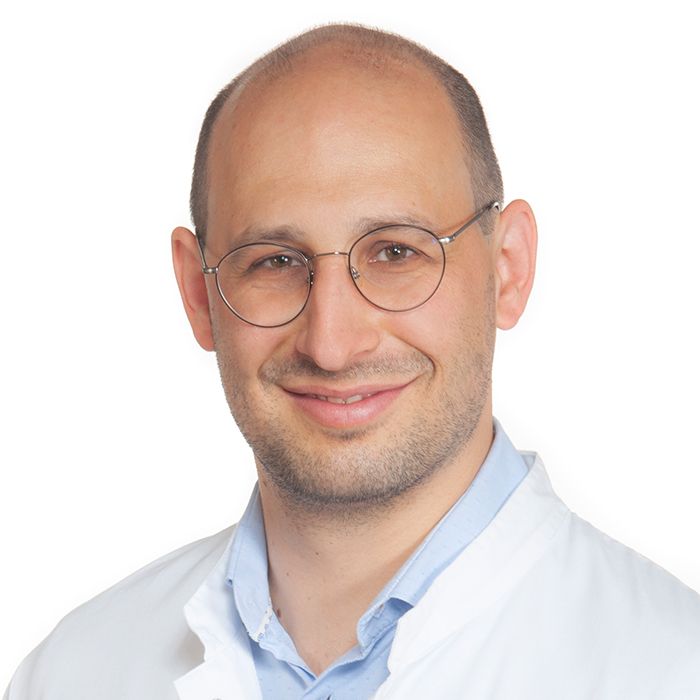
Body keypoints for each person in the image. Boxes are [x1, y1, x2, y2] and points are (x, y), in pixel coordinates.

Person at [5, 23, 700, 700]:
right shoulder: (71, 676)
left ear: (508, 268)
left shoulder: (674, 671)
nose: (331, 344)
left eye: (396, 252)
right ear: (197, 292)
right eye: (275, 262)